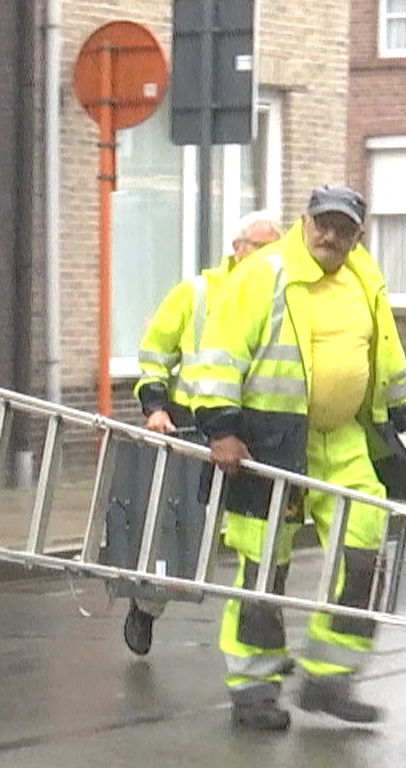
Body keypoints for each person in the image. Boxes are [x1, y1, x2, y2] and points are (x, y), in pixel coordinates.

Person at [183, 185, 406, 731]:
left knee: (366, 550)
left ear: (358, 236)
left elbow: (387, 361)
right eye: (323, 224)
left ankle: (328, 677)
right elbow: (220, 355)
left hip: (342, 440)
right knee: (262, 567)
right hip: (268, 441)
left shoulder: (364, 277)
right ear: (304, 221)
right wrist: (221, 429)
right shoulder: (264, 274)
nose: (331, 236)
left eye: (344, 229)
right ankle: (254, 687)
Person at [120, 209, 285, 657]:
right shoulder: (197, 292)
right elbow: (156, 349)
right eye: (260, 248)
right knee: (187, 535)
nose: (268, 259)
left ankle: (262, 639)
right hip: (196, 432)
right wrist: (154, 407)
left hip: (255, 433)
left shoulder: (283, 299)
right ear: (237, 248)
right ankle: (146, 606)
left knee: (261, 542)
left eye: (275, 250)